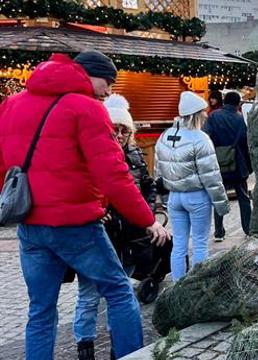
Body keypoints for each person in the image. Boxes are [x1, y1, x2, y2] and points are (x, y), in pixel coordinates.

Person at [0, 50, 169, 359]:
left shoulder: (12, 104)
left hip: (30, 225)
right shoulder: (86, 108)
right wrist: (148, 219)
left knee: (40, 309)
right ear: (89, 75)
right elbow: (114, 175)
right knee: (119, 292)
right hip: (75, 225)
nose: (109, 91)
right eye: (108, 82)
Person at [73, 94, 160, 359]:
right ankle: (84, 346)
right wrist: (95, 211)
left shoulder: (134, 155)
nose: (120, 134)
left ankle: (117, 345)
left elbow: (148, 185)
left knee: (119, 294)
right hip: (97, 237)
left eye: (125, 130)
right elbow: (80, 189)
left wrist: (150, 213)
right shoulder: (88, 156)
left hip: (128, 239)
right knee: (88, 295)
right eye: (115, 129)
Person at [155, 91, 230, 281]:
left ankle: (178, 284)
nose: (205, 115)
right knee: (200, 243)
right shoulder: (200, 139)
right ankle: (197, 286)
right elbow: (211, 176)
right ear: (197, 114)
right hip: (197, 196)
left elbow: (158, 170)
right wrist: (222, 205)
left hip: (174, 197)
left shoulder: (165, 135)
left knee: (179, 244)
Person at [202, 91, 252, 242]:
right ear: (238, 104)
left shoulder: (214, 116)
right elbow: (246, 142)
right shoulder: (240, 119)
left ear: (224, 101)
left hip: (218, 163)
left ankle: (218, 232)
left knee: (219, 197)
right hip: (237, 163)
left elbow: (205, 135)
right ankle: (248, 228)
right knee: (243, 197)